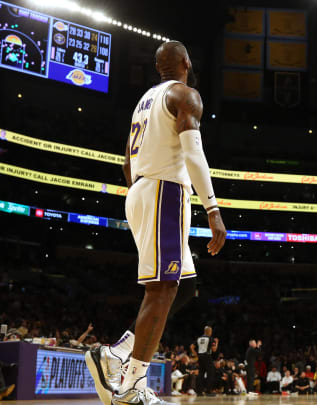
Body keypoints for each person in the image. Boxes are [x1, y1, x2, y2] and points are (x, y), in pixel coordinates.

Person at [85, 41, 227, 405]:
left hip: (141, 190)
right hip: (164, 191)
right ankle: (130, 383)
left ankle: (119, 355)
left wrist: (144, 196)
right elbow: (194, 154)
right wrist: (212, 209)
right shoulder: (186, 94)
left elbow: (126, 165)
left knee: (185, 288)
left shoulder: (143, 102)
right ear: (185, 62)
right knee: (162, 289)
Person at [193, 326, 218, 395]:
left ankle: (199, 391)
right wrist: (217, 343)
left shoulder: (199, 338)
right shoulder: (210, 339)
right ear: (209, 331)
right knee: (210, 373)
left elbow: (191, 347)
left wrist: (196, 354)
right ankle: (208, 391)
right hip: (207, 356)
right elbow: (214, 349)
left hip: (200, 357)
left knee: (201, 373)